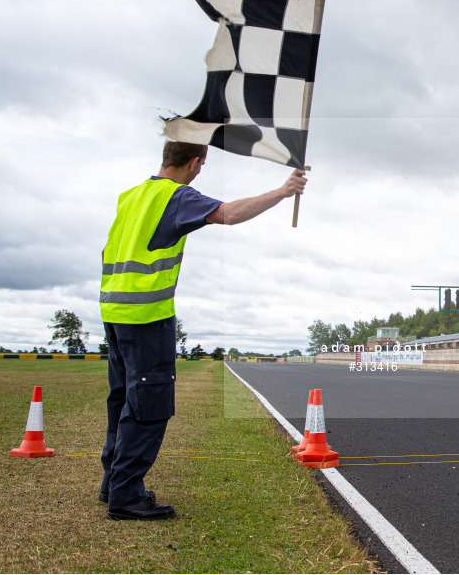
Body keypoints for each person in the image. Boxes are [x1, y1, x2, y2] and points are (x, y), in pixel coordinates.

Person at [99, 141, 306, 521]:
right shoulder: (175, 197)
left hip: (113, 311)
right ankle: (125, 494)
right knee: (148, 405)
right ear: (194, 162)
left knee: (122, 399)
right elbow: (227, 213)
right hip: (147, 315)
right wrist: (283, 191)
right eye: (202, 165)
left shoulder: (130, 196)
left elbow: (106, 251)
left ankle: (112, 482)